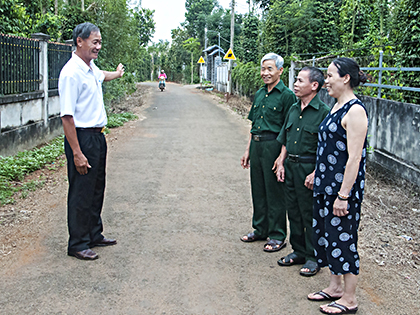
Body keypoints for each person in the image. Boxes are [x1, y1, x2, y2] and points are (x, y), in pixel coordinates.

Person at [59, 22, 125, 260]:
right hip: (82, 138)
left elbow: (102, 76)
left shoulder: (90, 67)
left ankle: (94, 234)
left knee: (97, 188)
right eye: (94, 42)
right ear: (80, 41)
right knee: (81, 191)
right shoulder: (71, 73)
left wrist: (117, 74)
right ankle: (77, 243)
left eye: (99, 42)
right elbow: (67, 117)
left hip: (97, 137)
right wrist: (77, 152)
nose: (98, 47)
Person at [307, 58, 368, 314]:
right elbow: (328, 149)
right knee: (326, 238)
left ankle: (350, 299)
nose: (326, 80)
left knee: (344, 240)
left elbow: (354, 158)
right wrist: (315, 174)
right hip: (324, 187)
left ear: (345, 78)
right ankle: (334, 288)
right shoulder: (336, 106)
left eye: (330, 75)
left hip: (341, 192)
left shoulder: (355, 111)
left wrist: (343, 195)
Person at [273, 67, 330, 276]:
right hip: (291, 167)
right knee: (293, 211)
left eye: (299, 80)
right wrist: (281, 161)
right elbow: (286, 138)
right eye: (295, 80)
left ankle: (313, 256)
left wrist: (317, 172)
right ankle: (298, 250)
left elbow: (326, 148)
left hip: (309, 168)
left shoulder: (324, 112)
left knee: (310, 213)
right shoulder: (294, 109)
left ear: (314, 86)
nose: (295, 84)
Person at [240, 53, 297, 252]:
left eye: (270, 69)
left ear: (280, 71)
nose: (265, 73)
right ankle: (260, 229)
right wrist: (248, 150)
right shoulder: (259, 94)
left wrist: (282, 157)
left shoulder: (287, 96)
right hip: (257, 146)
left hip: (274, 145)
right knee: (258, 189)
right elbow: (254, 124)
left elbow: (289, 128)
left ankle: (277, 235)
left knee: (275, 192)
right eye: (263, 69)